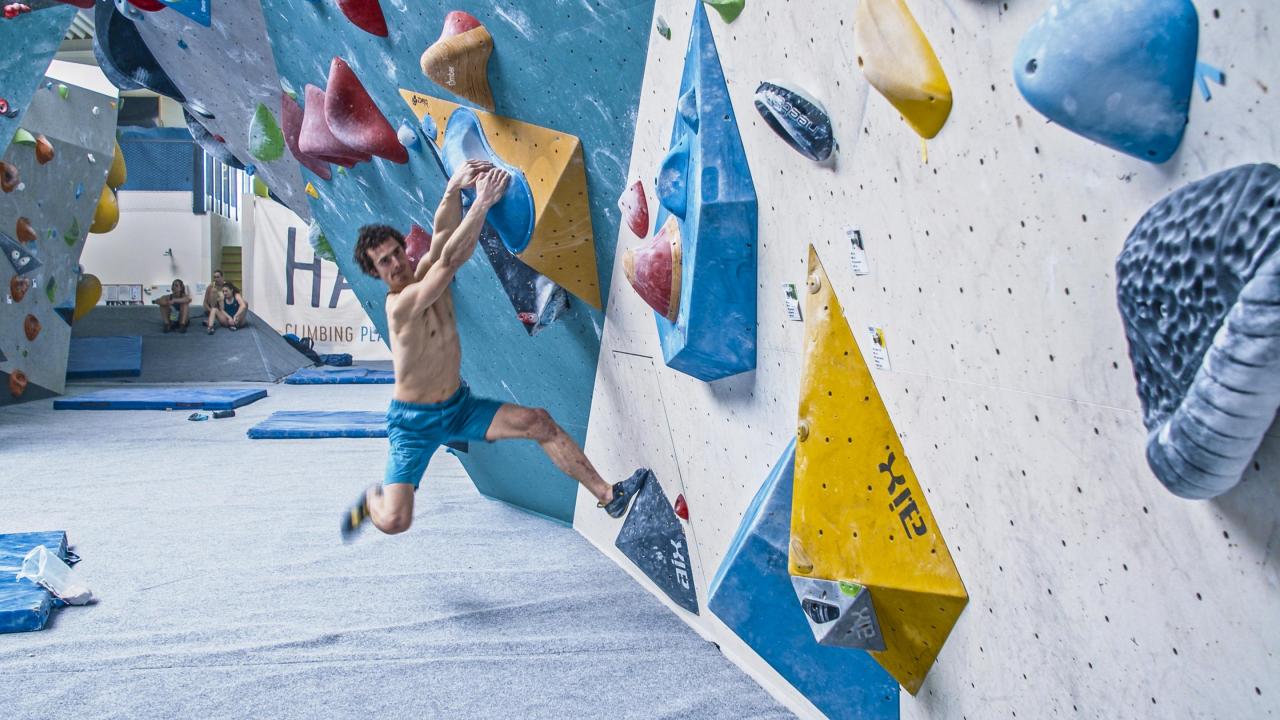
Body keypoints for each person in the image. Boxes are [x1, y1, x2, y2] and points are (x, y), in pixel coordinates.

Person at [341, 159, 644, 541]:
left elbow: (441, 235)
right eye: (384, 262)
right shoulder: (399, 305)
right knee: (397, 522)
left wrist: (453, 189)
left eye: (396, 252)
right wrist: (480, 202)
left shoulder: (418, 271)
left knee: (540, 423)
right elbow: (450, 259)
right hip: (413, 423)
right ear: (376, 274)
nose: (396, 263)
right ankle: (373, 501)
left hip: (458, 407)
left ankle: (608, 495)